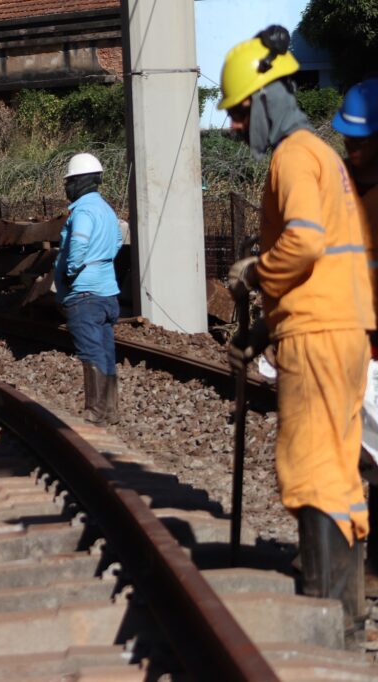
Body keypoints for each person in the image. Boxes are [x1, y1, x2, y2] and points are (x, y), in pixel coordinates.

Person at [223, 25, 375, 635]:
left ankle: (327, 605)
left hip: (317, 336)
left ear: (264, 100)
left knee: (311, 463)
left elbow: (307, 242)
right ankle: (349, 608)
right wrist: (263, 329)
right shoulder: (324, 156)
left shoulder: (292, 156)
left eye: (238, 113)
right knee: (339, 464)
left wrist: (257, 271)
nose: (236, 127)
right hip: (342, 328)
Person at [333, 78, 378, 597]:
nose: (352, 148)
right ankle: (349, 558)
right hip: (351, 341)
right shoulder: (340, 188)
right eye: (348, 139)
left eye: (362, 139)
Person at [53, 153, 123, 425]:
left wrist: (71, 272)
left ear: (79, 181)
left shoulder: (82, 211)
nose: (67, 187)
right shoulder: (106, 209)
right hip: (107, 293)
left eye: (69, 181)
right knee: (105, 350)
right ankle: (111, 410)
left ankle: (95, 412)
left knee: (90, 351)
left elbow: (79, 243)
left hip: (85, 296)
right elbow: (117, 241)